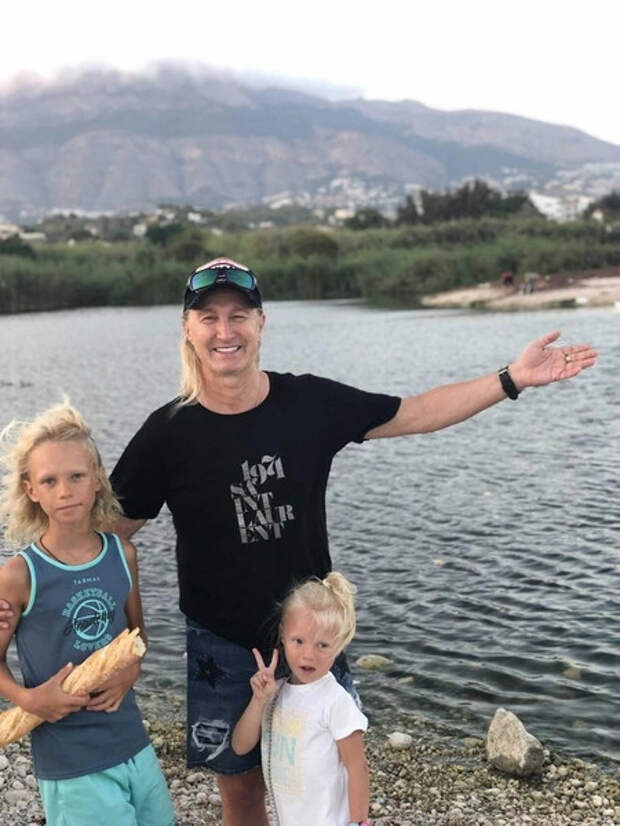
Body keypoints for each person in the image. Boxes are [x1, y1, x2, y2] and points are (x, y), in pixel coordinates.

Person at [0, 258, 597, 826]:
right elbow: (97, 546)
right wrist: (24, 601)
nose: (225, 331)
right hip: (219, 645)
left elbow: (415, 412)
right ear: (188, 329)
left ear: (261, 323)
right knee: (241, 793)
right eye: (209, 318)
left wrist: (511, 378)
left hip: (310, 637)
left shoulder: (308, 402)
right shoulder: (168, 433)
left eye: (239, 316)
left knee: (323, 778)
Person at [0, 403, 175, 826]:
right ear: (31, 490)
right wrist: (28, 699)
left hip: (132, 741)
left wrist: (131, 671)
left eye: (76, 476)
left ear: (97, 478)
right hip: (70, 760)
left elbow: (137, 636)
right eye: (50, 480)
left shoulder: (122, 553)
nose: (65, 490)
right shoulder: (20, 575)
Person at [232, 572, 370, 826]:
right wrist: (259, 700)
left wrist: (358, 823)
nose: (309, 655)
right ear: (283, 636)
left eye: (322, 645)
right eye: (299, 641)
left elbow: (357, 768)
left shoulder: (335, 701)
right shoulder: (276, 693)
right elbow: (240, 746)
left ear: (339, 645)